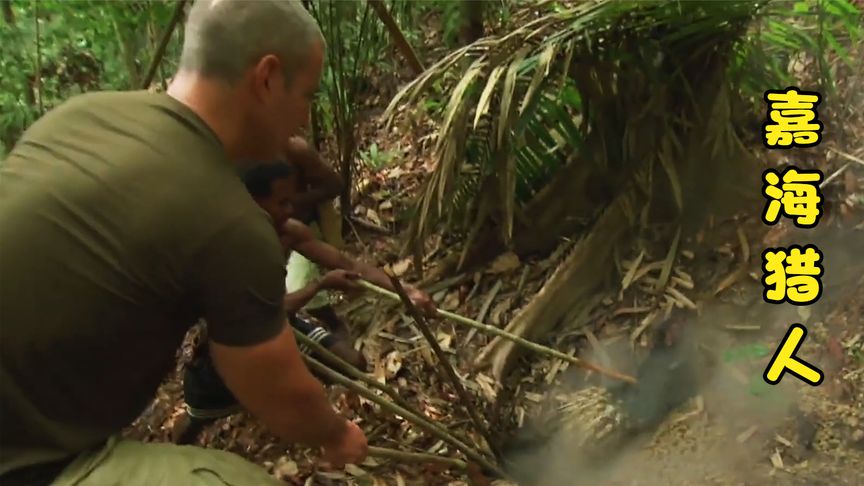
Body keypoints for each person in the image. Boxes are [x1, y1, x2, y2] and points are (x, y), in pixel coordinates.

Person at [0, 1, 368, 485]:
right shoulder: (226, 217)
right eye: (306, 95)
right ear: (267, 78)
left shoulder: (84, 115)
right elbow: (275, 390)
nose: (303, 117)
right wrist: (337, 434)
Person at [172, 158, 437, 445]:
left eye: (292, 200)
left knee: (350, 363)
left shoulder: (288, 231)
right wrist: (318, 286)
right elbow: (260, 311)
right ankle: (177, 454)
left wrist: (407, 291)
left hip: (281, 325)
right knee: (198, 417)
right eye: (282, 202)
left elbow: (349, 265)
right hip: (229, 344)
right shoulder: (228, 249)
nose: (291, 209)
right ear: (251, 202)